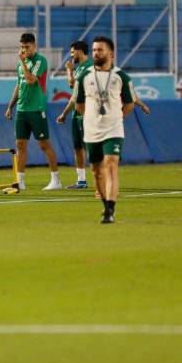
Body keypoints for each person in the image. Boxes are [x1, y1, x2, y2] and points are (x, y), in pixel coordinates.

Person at [75, 36, 135, 224]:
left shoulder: (121, 77)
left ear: (111, 53)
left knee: (111, 165)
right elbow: (79, 105)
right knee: (96, 171)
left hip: (113, 130)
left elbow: (129, 104)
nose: (96, 53)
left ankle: (110, 209)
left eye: (100, 50)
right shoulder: (84, 76)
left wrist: (116, 119)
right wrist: (92, 119)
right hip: (92, 130)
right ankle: (105, 203)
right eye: (94, 50)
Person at [4, 33, 63, 193]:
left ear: (34, 46)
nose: (24, 50)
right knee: (20, 145)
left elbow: (30, 80)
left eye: (27, 47)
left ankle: (56, 180)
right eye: (22, 47)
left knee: (44, 144)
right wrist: (10, 106)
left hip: (36, 109)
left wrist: (23, 62)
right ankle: (20, 181)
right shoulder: (20, 64)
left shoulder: (40, 61)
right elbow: (19, 85)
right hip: (22, 110)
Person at [56, 41, 93, 189]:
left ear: (80, 51)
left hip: (87, 112)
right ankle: (81, 180)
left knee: (91, 147)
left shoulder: (90, 68)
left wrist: (69, 71)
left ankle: (103, 178)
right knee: (77, 148)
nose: (71, 55)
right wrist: (65, 113)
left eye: (73, 52)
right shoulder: (78, 69)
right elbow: (74, 93)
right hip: (76, 114)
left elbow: (74, 86)